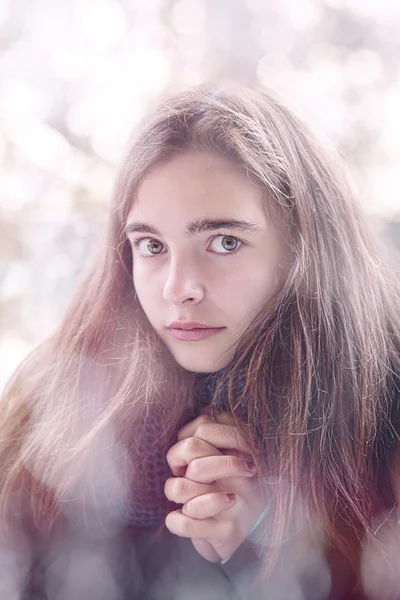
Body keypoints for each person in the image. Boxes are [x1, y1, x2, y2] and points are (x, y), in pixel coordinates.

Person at [0, 83, 399, 600]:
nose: (177, 288)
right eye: (151, 245)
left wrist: (265, 553)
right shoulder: (55, 407)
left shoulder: (383, 413)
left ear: (304, 250)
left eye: (224, 242)